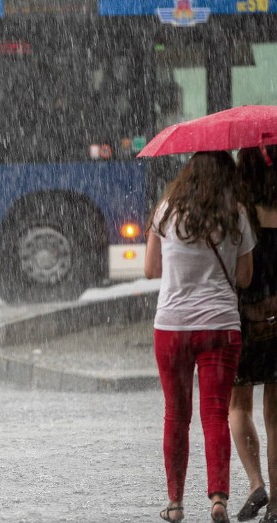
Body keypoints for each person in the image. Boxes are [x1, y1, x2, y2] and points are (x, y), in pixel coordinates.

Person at [144, 151, 255, 523]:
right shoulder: (236, 214)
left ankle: (175, 503)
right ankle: (218, 499)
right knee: (214, 415)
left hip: (172, 327)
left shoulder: (165, 212)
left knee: (176, 415)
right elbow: (244, 278)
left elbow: (150, 270)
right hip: (220, 327)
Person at [229, 144, 277, 523]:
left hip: (245, 318)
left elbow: (238, 272)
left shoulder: (237, 212)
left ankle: (255, 482)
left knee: (238, 406)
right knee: (275, 415)